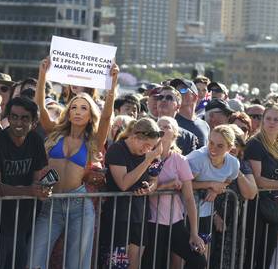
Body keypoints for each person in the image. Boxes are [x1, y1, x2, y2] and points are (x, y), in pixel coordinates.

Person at [30, 57, 118, 269]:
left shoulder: (94, 141)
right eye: (74, 108)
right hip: (51, 204)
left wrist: (112, 85)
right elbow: (40, 107)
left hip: (80, 205)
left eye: (83, 108)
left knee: (77, 264)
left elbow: (106, 117)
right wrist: (42, 74)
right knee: (34, 260)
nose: (78, 112)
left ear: (90, 116)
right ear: (68, 113)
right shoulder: (55, 134)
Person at [0, 96, 51, 269]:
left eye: (25, 118)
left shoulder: (35, 140)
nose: (18, 122)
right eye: (14, 117)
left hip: (24, 222)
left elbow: (36, 181)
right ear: (8, 118)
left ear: (34, 122)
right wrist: (30, 191)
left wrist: (41, 190)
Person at [143, 116, 206, 269]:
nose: (162, 129)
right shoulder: (146, 156)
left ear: (175, 134)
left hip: (174, 222)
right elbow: (144, 189)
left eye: (167, 126)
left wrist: (194, 233)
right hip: (151, 223)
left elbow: (190, 198)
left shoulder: (180, 160)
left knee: (198, 261)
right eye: (159, 126)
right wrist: (167, 186)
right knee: (152, 264)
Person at [99, 118, 162, 268]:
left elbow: (155, 179)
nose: (147, 149)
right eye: (145, 145)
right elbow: (124, 183)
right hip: (118, 216)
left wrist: (150, 188)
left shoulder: (151, 154)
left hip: (139, 215)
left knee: (135, 263)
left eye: (151, 146)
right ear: (134, 136)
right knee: (117, 265)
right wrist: (147, 160)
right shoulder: (117, 149)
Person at [187, 125, 240, 257]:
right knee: (181, 259)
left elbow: (229, 180)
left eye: (220, 146)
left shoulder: (233, 164)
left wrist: (217, 189)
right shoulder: (197, 158)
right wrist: (211, 184)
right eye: (211, 143)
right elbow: (182, 184)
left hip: (205, 213)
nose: (213, 148)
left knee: (203, 256)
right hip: (182, 213)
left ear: (229, 148)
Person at [210, 124, 257, 268]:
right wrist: (215, 215)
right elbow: (197, 192)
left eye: (237, 144)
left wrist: (236, 169)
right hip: (209, 220)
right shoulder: (209, 160)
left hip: (233, 224)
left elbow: (251, 193)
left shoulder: (242, 165)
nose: (234, 147)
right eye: (232, 143)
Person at [244, 104, 278, 269]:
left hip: (274, 206)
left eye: (276, 119)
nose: (271, 123)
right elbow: (257, 180)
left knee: (267, 256)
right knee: (252, 254)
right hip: (256, 205)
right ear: (262, 121)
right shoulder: (255, 143)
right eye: (268, 118)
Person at [156, 86, 198, 155]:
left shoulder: (188, 138)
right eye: (160, 97)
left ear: (178, 106)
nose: (163, 100)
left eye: (169, 98)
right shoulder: (146, 128)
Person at [172, 78, 210, 148]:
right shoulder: (171, 123)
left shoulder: (204, 125)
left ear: (194, 97)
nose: (178, 93)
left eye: (183, 90)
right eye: (176, 91)